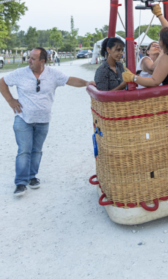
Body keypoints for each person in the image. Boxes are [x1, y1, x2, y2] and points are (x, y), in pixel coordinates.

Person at [0, 47, 96, 197]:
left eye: (32, 58)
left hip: (43, 121)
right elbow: (2, 81)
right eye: (29, 57)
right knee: (24, 150)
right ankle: (20, 183)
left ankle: (32, 177)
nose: (28, 60)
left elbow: (69, 80)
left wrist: (87, 82)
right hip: (23, 119)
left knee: (37, 150)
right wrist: (11, 100)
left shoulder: (53, 74)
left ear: (42, 61)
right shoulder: (20, 73)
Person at [123, 5, 168, 87]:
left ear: (162, 42)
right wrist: (159, 15)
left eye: (158, 40)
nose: (157, 45)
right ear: (147, 51)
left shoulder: (166, 58)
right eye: (153, 45)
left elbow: (155, 81)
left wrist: (133, 77)